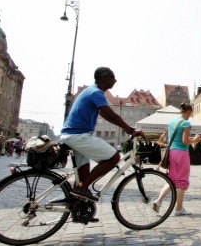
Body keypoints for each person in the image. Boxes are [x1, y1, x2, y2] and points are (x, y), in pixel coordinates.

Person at [60, 67, 143, 201]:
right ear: (104, 78)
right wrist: (130, 130)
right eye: (112, 77)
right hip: (78, 135)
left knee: (83, 173)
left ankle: (78, 205)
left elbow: (105, 115)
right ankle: (82, 187)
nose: (115, 80)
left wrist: (127, 128)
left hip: (73, 135)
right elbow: (111, 114)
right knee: (114, 158)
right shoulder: (96, 92)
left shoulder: (91, 91)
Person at [153, 102, 201, 216]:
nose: (190, 116)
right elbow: (185, 141)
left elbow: (175, 139)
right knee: (182, 181)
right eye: (190, 114)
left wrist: (190, 138)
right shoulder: (186, 123)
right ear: (188, 112)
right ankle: (179, 208)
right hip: (181, 154)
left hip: (171, 152)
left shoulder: (172, 122)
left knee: (172, 180)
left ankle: (158, 201)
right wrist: (195, 139)